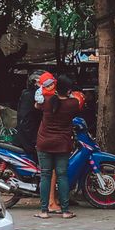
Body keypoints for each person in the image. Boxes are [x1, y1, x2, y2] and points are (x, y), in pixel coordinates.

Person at [35, 73, 82, 219]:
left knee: (45, 175)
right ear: (68, 90)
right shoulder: (72, 104)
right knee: (62, 176)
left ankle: (44, 211)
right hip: (62, 144)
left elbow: (36, 105)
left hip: (44, 142)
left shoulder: (47, 101)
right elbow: (79, 100)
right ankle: (65, 211)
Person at [14, 70, 45, 160]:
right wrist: (33, 140)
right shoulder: (30, 96)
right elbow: (25, 119)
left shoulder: (36, 96)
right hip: (28, 138)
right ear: (36, 83)